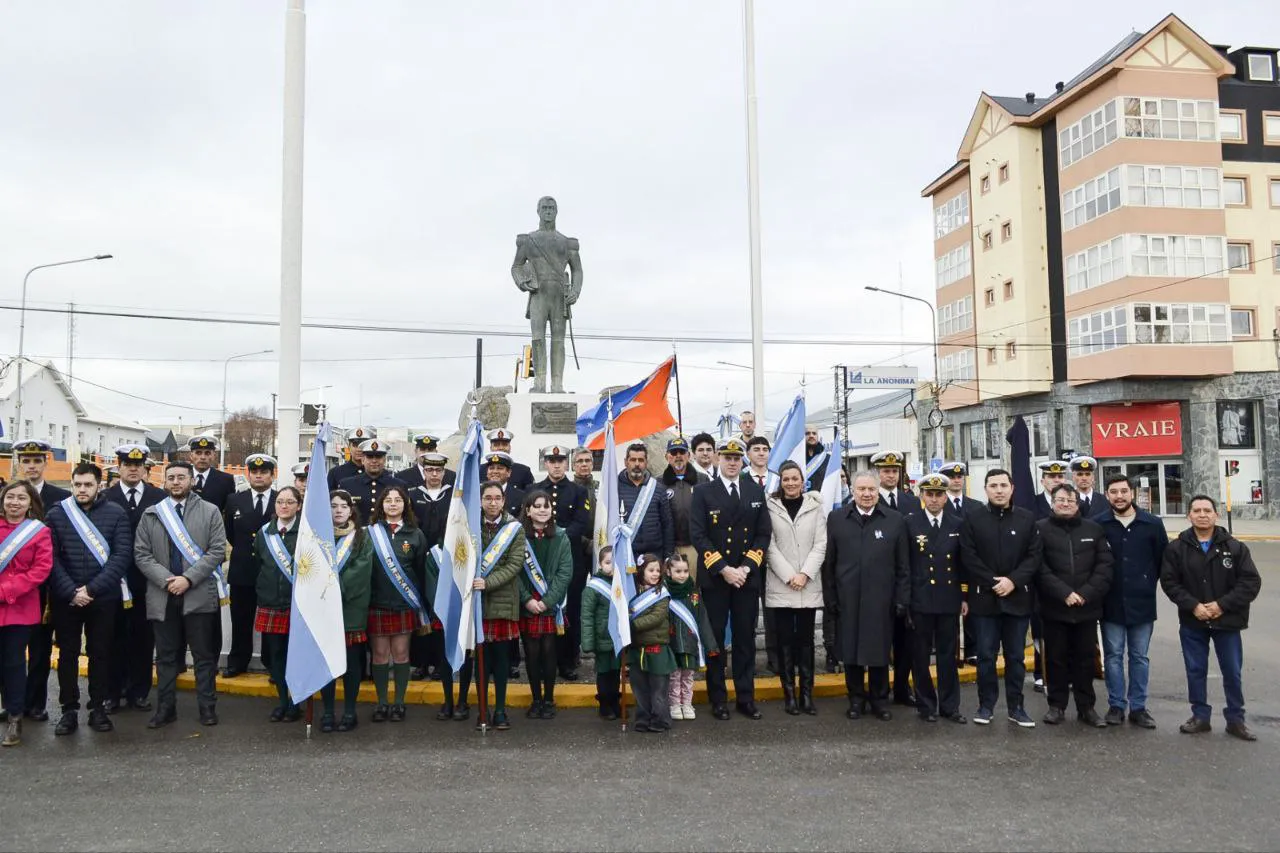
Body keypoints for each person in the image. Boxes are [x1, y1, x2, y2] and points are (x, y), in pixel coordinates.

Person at [134, 460, 229, 728]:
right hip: (163, 595)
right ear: (164, 482)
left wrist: (188, 579)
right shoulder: (151, 514)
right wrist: (168, 581)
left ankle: (207, 708)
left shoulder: (210, 512)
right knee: (165, 657)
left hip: (198, 594)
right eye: (171, 478)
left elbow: (217, 551)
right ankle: (166, 709)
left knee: (203, 656)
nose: (176, 482)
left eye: (181, 477)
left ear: (192, 481)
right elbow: (141, 554)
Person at [1160, 495, 1262, 741]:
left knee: (1232, 672)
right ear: (1189, 515)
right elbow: (1170, 582)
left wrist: (1221, 605)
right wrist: (1193, 606)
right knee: (1195, 670)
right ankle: (1200, 717)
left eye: (1207, 510)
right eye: (1197, 510)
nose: (1202, 514)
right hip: (1193, 621)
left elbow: (1250, 582)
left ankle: (1236, 720)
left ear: (1216, 515)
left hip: (1227, 621)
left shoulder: (1235, 547)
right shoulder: (1177, 547)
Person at [45, 463, 132, 736]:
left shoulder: (116, 513)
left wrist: (91, 590)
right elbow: (51, 558)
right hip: (66, 598)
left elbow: (121, 557)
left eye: (88, 485)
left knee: (100, 653)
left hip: (102, 597)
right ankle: (69, 710)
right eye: (77, 485)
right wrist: (71, 591)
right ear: (72, 484)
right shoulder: (57, 513)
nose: (82, 490)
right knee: (68, 655)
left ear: (99, 485)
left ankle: (98, 708)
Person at [690, 437, 772, 720]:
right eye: (727, 457)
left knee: (744, 639)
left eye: (737, 458)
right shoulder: (703, 492)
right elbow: (698, 535)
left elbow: (763, 533)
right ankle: (718, 699)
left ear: (743, 461)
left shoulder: (754, 490)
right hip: (716, 578)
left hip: (746, 579)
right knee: (715, 642)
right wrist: (724, 568)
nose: (733, 462)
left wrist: (747, 567)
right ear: (717, 459)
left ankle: (745, 697)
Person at [823, 470, 909, 722]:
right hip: (847, 600)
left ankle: (879, 700)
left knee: (879, 653)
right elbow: (830, 564)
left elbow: (903, 565)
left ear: (878, 489)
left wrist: (902, 598)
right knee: (851, 653)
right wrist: (831, 598)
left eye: (871, 489)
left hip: (881, 601)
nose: (867, 494)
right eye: (861, 489)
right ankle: (856, 700)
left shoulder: (894, 520)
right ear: (852, 490)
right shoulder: (837, 519)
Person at [959, 468, 1042, 728]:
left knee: (1016, 657)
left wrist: (1012, 581)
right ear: (985, 489)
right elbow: (968, 557)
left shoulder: (1027, 519)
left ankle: (1017, 707)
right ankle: (986, 706)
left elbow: (1034, 556)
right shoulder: (973, 519)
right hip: (984, 600)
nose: (999, 490)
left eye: (1003, 485)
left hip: (1017, 599)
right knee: (985, 655)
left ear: (1012, 488)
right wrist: (993, 582)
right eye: (993, 485)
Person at [1036, 483, 1113, 728]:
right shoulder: (1040, 530)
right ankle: (1056, 706)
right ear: (1052, 502)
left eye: (1070, 500)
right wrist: (1064, 593)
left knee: (1085, 659)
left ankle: (1086, 707)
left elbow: (1104, 566)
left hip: (1086, 607)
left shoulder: (1094, 529)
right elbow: (1039, 568)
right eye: (1060, 500)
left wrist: (1085, 594)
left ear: (1077, 503)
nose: (1065, 504)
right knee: (1055, 659)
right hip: (1054, 606)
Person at [1095, 473, 1166, 729]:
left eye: (1124, 491)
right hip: (1110, 602)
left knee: (1139, 657)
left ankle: (1138, 707)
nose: (1119, 496)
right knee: (1113, 656)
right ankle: (1116, 705)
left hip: (1142, 603)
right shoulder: (1098, 524)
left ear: (1132, 493)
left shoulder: (1152, 524)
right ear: (1107, 496)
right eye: (1114, 492)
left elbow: (1161, 562)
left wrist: (1146, 582)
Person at [101, 444, 165, 713]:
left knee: (142, 637)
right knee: (113, 637)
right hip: (113, 579)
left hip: (145, 579)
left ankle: (139, 691)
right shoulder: (105, 496)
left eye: (138, 465)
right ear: (120, 466)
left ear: (145, 468)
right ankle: (112, 693)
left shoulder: (158, 496)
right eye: (128, 464)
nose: (133, 469)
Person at [12, 439, 69, 723]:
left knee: (40, 647)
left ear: (45, 463)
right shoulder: (6, 494)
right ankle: (12, 702)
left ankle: (35, 703)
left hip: (46, 585)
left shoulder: (60, 496)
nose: (31, 466)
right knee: (9, 650)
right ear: (20, 464)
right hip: (12, 586)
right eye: (26, 461)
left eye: (37, 461)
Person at [904, 473, 967, 724]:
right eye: (929, 494)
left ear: (945, 496)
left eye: (939, 495)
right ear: (921, 496)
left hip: (948, 598)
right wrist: (906, 598)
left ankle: (950, 706)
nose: (934, 499)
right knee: (920, 655)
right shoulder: (910, 523)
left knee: (947, 655)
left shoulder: (957, 523)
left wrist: (963, 595)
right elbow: (905, 565)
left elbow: (963, 564)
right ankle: (926, 705)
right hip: (920, 599)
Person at [765, 461, 826, 716]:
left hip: (808, 583)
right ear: (781, 481)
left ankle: (806, 695)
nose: (791, 483)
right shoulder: (770, 507)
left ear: (803, 481)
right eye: (786, 479)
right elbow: (769, 546)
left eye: (795, 478)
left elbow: (820, 544)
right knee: (785, 642)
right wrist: (790, 575)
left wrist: (804, 574)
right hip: (781, 583)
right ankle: (789, 694)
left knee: (806, 642)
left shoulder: (815, 507)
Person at [365, 484, 429, 723]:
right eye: (388, 500)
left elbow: (422, 570)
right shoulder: (369, 533)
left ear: (406, 505)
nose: (393, 504)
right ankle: (382, 702)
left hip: (404, 603)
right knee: (380, 655)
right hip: (376, 603)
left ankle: (399, 702)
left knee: (401, 654)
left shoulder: (415, 534)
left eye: (398, 500)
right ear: (381, 505)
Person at [0, 481, 54, 747]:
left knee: (13, 662)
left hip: (20, 607)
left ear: (30, 503)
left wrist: (7, 590)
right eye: (10, 497)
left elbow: (40, 570)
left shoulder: (39, 532)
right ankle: (7, 705)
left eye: (21, 498)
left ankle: (15, 716)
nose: (15, 503)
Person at [531, 445, 590, 682]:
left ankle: (568, 660)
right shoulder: (534, 490)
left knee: (570, 610)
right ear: (545, 463)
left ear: (567, 463)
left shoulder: (578, 491)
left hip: (571, 560)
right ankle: (547, 661)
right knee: (545, 609)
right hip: (542, 560)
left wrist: (558, 537)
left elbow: (581, 523)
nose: (556, 465)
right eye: (551, 460)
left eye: (560, 460)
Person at [472, 481, 528, 731]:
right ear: (481, 500)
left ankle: (501, 709)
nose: (492, 502)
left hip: (504, 600)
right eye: (487, 498)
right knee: (481, 662)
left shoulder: (514, 529)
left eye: (497, 498)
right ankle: (482, 708)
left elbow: (515, 564)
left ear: (504, 500)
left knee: (502, 661)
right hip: (476, 602)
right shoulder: (471, 525)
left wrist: (487, 582)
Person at [318, 490, 373, 733]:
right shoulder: (317, 536)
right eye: (333, 505)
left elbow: (361, 570)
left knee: (351, 665)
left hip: (351, 608)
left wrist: (333, 591)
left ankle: (350, 711)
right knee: (326, 664)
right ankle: (328, 711)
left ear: (351, 510)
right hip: (322, 610)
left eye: (343, 505)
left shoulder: (361, 538)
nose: (338, 510)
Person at [518, 490, 574, 719]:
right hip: (528, 603)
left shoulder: (561, 536)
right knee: (531, 653)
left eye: (546, 506)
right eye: (537, 506)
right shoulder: (518, 537)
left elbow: (565, 572)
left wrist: (548, 601)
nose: (542, 509)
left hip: (551, 603)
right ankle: (536, 699)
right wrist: (527, 600)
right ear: (528, 511)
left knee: (550, 653)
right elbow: (514, 572)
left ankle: (549, 699)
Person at [251, 487, 303, 722]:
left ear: (298, 506)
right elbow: (260, 562)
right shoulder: (264, 533)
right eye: (280, 501)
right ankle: (283, 700)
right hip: (271, 602)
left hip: (298, 604)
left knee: (297, 657)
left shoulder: (305, 533)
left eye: (290, 502)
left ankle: (296, 702)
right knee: (276, 657)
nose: (284, 506)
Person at [222, 453, 276, 678]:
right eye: (254, 472)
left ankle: (273, 663)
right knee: (241, 619)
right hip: (242, 570)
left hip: (271, 571)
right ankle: (238, 661)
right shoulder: (235, 500)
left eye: (264, 472)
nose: (259, 476)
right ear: (249, 474)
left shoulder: (282, 499)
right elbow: (230, 534)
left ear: (272, 475)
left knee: (272, 622)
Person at [871, 449, 918, 707]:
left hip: (904, 580)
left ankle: (902, 688)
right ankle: (878, 691)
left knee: (905, 641)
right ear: (878, 473)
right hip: (878, 582)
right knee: (879, 640)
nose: (890, 475)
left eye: (894, 470)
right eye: (886, 470)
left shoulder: (911, 502)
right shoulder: (868, 500)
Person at [939, 461, 981, 666]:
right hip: (945, 564)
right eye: (952, 477)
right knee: (948, 610)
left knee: (970, 607)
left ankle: (972, 649)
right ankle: (953, 649)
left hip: (969, 565)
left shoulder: (975, 506)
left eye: (959, 477)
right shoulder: (938, 502)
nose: (957, 480)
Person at [665, 551, 715, 721]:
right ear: (668, 572)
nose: (682, 575)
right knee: (674, 676)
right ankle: (674, 704)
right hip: (671, 643)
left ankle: (687, 703)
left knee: (688, 676)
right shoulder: (664, 593)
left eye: (685, 571)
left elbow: (702, 619)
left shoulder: (694, 594)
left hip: (690, 643)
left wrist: (711, 645)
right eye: (678, 571)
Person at [628, 553, 674, 733]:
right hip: (638, 648)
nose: (655, 574)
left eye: (658, 570)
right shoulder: (633, 591)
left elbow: (656, 617)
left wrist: (632, 625)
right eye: (651, 570)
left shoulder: (662, 593)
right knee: (639, 688)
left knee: (658, 689)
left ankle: (660, 719)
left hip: (657, 647)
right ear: (641, 571)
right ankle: (642, 717)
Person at [581, 546, 621, 720]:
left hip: (618, 638)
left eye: (615, 562)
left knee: (615, 672)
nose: (611, 566)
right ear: (600, 564)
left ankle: (615, 701)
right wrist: (588, 642)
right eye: (607, 562)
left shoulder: (622, 584)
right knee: (604, 673)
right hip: (602, 637)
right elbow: (587, 616)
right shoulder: (593, 587)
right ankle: (604, 703)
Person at [661, 436, 708, 582]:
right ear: (667, 457)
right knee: (670, 586)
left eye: (682, 452)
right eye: (674, 453)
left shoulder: (702, 480)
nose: (678, 456)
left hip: (693, 546)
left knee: (692, 586)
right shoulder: (657, 482)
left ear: (688, 455)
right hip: (669, 546)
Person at [617, 443, 675, 561]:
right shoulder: (615, 488)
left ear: (646, 463)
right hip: (625, 554)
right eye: (633, 460)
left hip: (654, 555)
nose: (637, 464)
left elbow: (667, 524)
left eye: (641, 460)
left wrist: (668, 555)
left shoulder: (659, 488)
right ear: (626, 462)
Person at [340, 439, 405, 526]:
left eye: (378, 457)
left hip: (388, 536)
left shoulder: (399, 485)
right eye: (370, 457)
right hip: (357, 536)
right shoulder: (347, 485)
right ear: (363, 460)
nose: (374, 461)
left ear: (385, 459)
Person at [185, 435, 235, 512]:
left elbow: (229, 511)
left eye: (207, 453)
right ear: (191, 456)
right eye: (198, 453)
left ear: (214, 456)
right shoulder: (182, 478)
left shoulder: (226, 480)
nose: (203, 457)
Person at [327, 425, 374, 492]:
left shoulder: (376, 472)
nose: (359, 449)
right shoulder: (335, 473)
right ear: (349, 447)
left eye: (363, 445)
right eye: (355, 445)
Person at [485, 451, 526, 518]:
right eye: (491, 468)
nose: (495, 471)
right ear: (487, 472)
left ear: (508, 472)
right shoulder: (478, 494)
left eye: (500, 468)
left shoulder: (520, 496)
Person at [802, 425, 829, 492]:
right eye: (807, 433)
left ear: (817, 436)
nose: (811, 436)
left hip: (822, 499)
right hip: (802, 499)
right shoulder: (797, 458)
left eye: (814, 433)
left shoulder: (828, 458)